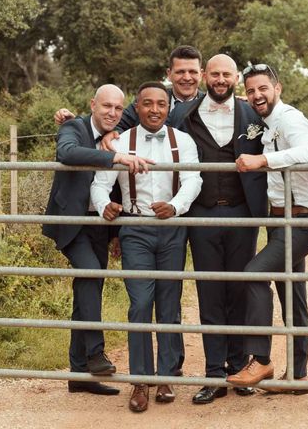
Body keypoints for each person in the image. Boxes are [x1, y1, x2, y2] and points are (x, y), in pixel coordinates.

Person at [90, 81, 202, 413]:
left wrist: (177, 206)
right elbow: (100, 183)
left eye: (161, 104)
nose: (154, 109)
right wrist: (103, 207)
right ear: (136, 108)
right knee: (140, 303)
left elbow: (195, 179)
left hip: (171, 228)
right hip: (135, 228)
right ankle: (140, 380)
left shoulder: (183, 141)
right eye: (147, 104)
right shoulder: (121, 142)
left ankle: (167, 376)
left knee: (169, 300)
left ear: (169, 108)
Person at [168, 54, 268, 404]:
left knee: (240, 290)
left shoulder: (254, 115)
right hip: (202, 215)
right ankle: (213, 374)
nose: (221, 79)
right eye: (215, 74)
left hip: (243, 214)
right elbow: (145, 124)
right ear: (205, 77)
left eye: (227, 74)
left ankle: (238, 369)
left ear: (236, 78)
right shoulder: (183, 114)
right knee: (209, 292)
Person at [42, 84, 151, 396]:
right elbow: (67, 153)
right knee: (91, 273)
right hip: (72, 222)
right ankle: (95, 353)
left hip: (100, 224)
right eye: (107, 107)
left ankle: (78, 374)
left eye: (118, 108)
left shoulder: (119, 132)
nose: (113, 113)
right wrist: (114, 156)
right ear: (93, 104)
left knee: (87, 289)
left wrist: (116, 232)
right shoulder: (74, 127)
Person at [228, 63, 308, 391]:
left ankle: (261, 360)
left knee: (254, 274)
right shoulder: (268, 122)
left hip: (302, 222)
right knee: (292, 295)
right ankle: (298, 376)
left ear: (277, 88)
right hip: (281, 220)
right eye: (251, 90)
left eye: (263, 89)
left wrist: (261, 161)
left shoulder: (288, 118)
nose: (257, 96)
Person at [54, 45, 205, 129]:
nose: (186, 77)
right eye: (180, 72)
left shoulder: (209, 103)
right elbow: (113, 122)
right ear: (169, 74)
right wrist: (76, 122)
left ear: (201, 74)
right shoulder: (147, 100)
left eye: (192, 72)